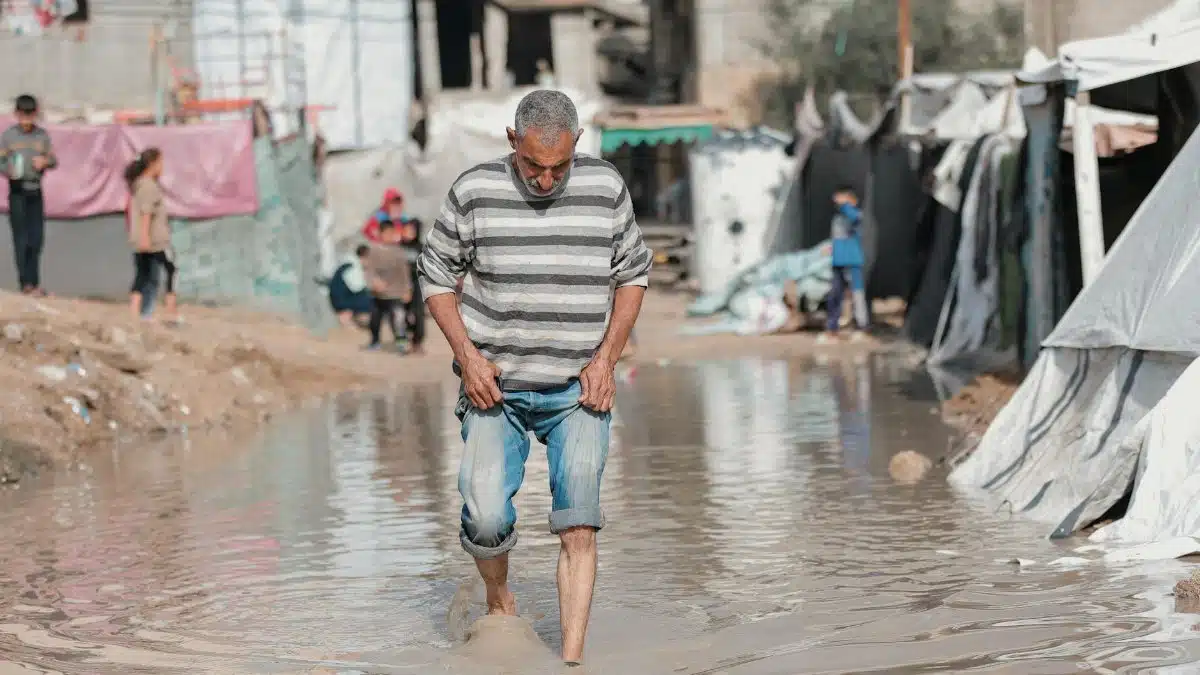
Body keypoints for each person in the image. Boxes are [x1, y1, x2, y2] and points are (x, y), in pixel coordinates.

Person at [416, 89, 653, 665]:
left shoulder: (605, 188)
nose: (546, 181)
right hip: (495, 387)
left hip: (579, 389)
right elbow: (436, 275)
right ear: (511, 143)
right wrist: (469, 358)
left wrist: (607, 360)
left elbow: (634, 274)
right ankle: (501, 600)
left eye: (560, 167)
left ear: (578, 148)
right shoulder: (474, 190)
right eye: (532, 166)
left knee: (579, 525)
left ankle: (571, 660)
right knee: (487, 518)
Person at [1, 94, 57, 296]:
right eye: (23, 115)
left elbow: (53, 159)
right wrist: (7, 169)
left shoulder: (42, 136)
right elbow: (0, 161)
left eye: (30, 115)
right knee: (21, 239)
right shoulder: (8, 136)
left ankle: (34, 282)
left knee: (36, 238)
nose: (26, 120)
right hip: (17, 192)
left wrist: (45, 162)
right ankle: (25, 282)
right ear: (16, 114)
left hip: (35, 190)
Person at [124, 147, 180, 323]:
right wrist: (145, 238)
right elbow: (146, 213)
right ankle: (170, 310)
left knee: (143, 274)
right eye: (160, 163)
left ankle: (137, 313)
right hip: (154, 240)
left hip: (144, 238)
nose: (162, 167)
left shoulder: (139, 185)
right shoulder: (148, 186)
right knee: (171, 269)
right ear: (152, 164)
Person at [820, 186, 869, 343]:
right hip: (838, 261)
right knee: (835, 294)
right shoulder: (837, 218)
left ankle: (862, 326)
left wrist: (846, 204)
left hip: (852, 260)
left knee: (857, 295)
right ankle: (832, 328)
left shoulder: (855, 214)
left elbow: (855, 218)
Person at [362, 221, 412, 351]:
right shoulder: (373, 250)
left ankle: (401, 343)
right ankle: (375, 341)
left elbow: (404, 272)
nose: (389, 236)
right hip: (377, 294)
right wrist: (374, 282)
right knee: (374, 320)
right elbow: (369, 270)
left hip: (395, 293)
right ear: (380, 234)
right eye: (387, 233)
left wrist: (407, 289)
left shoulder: (399, 251)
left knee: (398, 320)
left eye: (392, 233)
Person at [398, 218, 426, 354]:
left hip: (417, 285)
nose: (407, 232)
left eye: (410, 230)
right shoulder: (398, 247)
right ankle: (404, 341)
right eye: (405, 229)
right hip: (400, 285)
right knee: (401, 314)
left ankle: (417, 341)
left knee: (418, 313)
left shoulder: (421, 248)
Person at [328, 244, 373, 327]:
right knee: (368, 299)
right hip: (342, 299)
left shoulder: (348, 263)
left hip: (339, 297)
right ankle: (359, 320)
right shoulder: (353, 267)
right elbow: (357, 287)